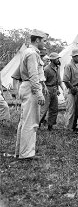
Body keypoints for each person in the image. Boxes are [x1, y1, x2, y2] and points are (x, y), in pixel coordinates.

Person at [13, 29, 47, 160]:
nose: (44, 43)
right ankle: (26, 154)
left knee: (24, 121)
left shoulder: (28, 52)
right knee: (30, 123)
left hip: (26, 87)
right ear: (37, 40)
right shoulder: (32, 54)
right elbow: (33, 76)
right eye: (43, 40)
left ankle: (20, 152)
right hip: (31, 88)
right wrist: (39, 93)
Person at [40, 52, 65, 131]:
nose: (58, 60)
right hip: (47, 89)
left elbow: (59, 80)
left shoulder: (57, 68)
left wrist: (61, 89)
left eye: (58, 58)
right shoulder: (46, 69)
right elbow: (42, 81)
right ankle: (37, 125)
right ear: (52, 60)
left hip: (54, 89)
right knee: (44, 109)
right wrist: (45, 89)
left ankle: (50, 126)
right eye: (57, 59)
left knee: (54, 109)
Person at [63, 48, 78, 131]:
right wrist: (72, 88)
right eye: (77, 56)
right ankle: (68, 127)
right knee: (70, 109)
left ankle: (75, 126)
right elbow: (65, 80)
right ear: (73, 57)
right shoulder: (68, 66)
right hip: (71, 89)